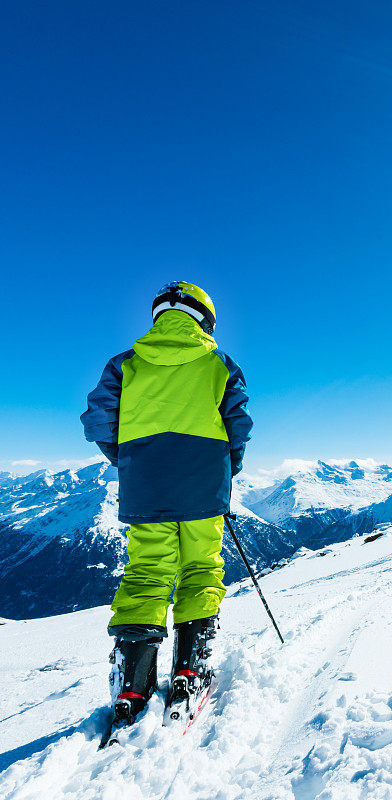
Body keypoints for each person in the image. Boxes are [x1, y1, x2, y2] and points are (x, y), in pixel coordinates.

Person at [81, 281, 253, 728]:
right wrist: (226, 469)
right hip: (204, 485)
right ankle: (191, 669)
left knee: (147, 572)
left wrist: (130, 459)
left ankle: (133, 684)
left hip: (146, 484)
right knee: (200, 567)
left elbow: (98, 418)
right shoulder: (219, 364)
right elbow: (238, 424)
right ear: (206, 318)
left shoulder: (126, 364)